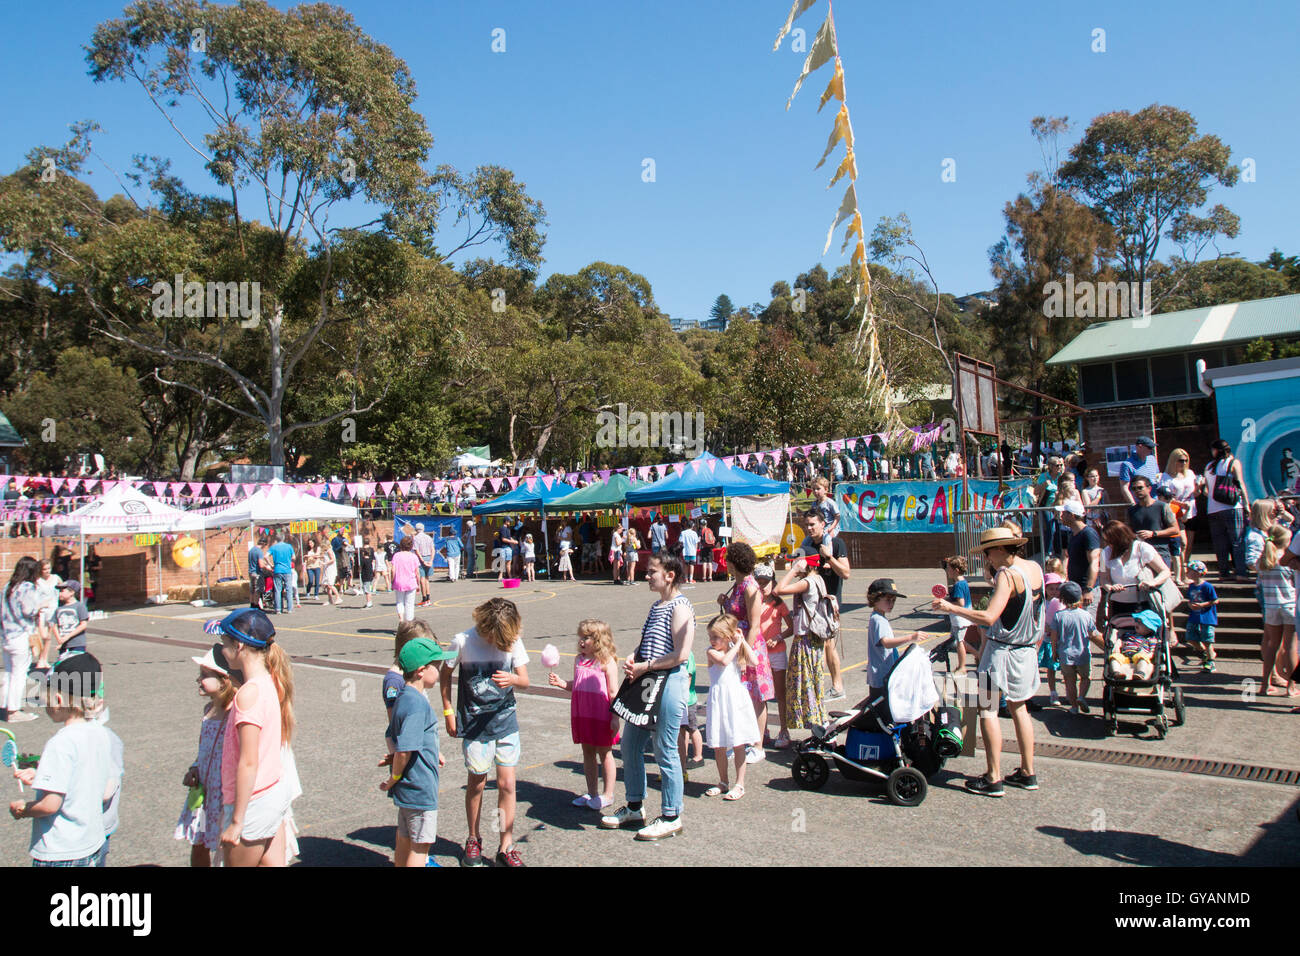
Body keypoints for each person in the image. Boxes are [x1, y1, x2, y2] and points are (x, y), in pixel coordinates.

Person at [933, 526, 1044, 798]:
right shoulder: (1034, 568)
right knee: (1020, 709)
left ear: (1002, 548)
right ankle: (1028, 772)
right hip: (1026, 649)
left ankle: (993, 777)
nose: (986, 558)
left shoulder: (1007, 575)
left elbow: (990, 617)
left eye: (988, 552)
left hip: (1002, 650)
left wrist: (951, 608)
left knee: (988, 710)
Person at [600, 553, 693, 841]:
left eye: (652, 571)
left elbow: (681, 655)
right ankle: (635, 806)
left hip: (669, 683)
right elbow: (649, 642)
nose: (647, 575)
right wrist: (635, 657)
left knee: (665, 749)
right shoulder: (657, 606)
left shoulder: (680, 607)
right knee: (630, 745)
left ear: (669, 575)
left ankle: (671, 815)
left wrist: (646, 666)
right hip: (648, 682)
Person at [440, 598, 529, 867]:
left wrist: (513, 678)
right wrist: (447, 712)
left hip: (505, 723)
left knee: (507, 784)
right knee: (476, 783)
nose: (500, 642)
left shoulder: (512, 639)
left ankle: (506, 845)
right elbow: (445, 675)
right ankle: (473, 838)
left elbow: (524, 680)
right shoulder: (463, 641)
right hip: (475, 726)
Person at [8, 654, 112, 867]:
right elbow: (97, 786)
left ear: (57, 699)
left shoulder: (61, 742)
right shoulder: (100, 732)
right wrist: (42, 777)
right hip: (92, 842)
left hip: (60, 851)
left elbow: (49, 805)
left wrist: (23, 809)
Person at [217, 608, 295, 867]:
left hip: (253, 802)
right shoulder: (270, 682)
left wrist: (237, 821)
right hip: (273, 793)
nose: (222, 650)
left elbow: (248, 762)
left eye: (224, 644)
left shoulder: (248, 694)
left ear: (239, 646)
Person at [381, 636, 454, 868]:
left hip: (408, 789)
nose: (440, 671)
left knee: (405, 838)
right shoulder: (416, 704)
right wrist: (394, 777)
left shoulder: (403, 697)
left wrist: (432, 751)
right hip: (419, 788)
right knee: (420, 847)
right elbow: (405, 750)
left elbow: (392, 735)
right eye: (437, 666)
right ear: (422, 671)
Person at [176, 643, 241, 866]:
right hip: (204, 788)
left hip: (224, 791)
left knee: (225, 845)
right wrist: (195, 767)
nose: (198, 680)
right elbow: (204, 748)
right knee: (199, 840)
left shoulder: (235, 712)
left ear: (224, 681)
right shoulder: (208, 711)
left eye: (205, 675)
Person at [547, 619, 620, 810]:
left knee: (605, 753)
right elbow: (577, 684)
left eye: (586, 637)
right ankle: (592, 792)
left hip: (601, 714)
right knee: (587, 752)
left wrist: (615, 718)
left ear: (599, 640)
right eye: (580, 636)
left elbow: (613, 693)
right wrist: (562, 683)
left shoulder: (607, 662)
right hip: (583, 713)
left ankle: (608, 794)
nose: (581, 641)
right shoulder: (579, 659)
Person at [716, 543, 770, 762]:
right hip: (734, 644)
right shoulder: (737, 585)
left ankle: (758, 745)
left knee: (756, 696)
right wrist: (725, 602)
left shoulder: (750, 587)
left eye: (728, 560)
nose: (725, 563)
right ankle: (741, 741)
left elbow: (755, 624)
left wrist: (744, 655)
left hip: (749, 646)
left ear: (735, 563)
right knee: (738, 696)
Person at [702, 613, 761, 801]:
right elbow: (724, 661)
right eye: (711, 636)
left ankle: (739, 783)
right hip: (719, 700)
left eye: (716, 637)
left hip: (735, 699)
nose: (712, 640)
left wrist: (741, 641)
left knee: (738, 743)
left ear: (727, 636)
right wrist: (735, 645)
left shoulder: (735, 649)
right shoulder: (712, 652)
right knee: (719, 745)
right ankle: (723, 781)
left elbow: (755, 661)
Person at [795, 509, 851, 699]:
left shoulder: (835, 543)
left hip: (829, 601)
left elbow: (846, 573)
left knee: (827, 644)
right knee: (818, 645)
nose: (809, 528)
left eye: (812, 524)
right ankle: (822, 686)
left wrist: (829, 557)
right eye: (807, 525)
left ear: (822, 524)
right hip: (811, 602)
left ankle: (834, 687)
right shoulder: (806, 545)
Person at [775, 556, 830, 734]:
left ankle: (817, 724)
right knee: (813, 682)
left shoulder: (808, 581)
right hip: (813, 638)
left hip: (805, 637)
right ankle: (819, 721)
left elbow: (778, 589)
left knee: (804, 683)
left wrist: (793, 571)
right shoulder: (819, 579)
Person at [1098, 520, 1171, 625]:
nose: (1108, 544)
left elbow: (1165, 571)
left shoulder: (1142, 548)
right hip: (1118, 604)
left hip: (1143, 603)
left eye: (1110, 541)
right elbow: (1104, 579)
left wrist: (1152, 582)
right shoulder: (1106, 552)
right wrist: (1111, 587)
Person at [753, 564, 793, 748]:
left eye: (766, 582)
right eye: (759, 582)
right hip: (759, 654)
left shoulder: (778, 604)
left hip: (776, 653)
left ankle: (784, 730)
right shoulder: (752, 601)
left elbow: (791, 627)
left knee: (779, 693)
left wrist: (779, 637)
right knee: (762, 694)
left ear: (773, 582)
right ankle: (764, 729)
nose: (762, 586)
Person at [1049, 582, 1103, 713]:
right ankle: (1081, 696)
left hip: (1065, 655)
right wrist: (1105, 645)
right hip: (1083, 654)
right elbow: (1092, 634)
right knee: (1085, 678)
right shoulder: (1086, 615)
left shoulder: (1058, 616)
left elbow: (1054, 637)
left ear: (1062, 599)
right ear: (1080, 598)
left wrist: (1054, 652)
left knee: (1069, 681)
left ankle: (1074, 707)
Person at [2, 556, 43, 722]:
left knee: (10, 672)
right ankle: (13, 711)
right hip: (20, 634)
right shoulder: (27, 587)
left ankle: (6, 705)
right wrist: (41, 605)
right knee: (19, 674)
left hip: (6, 635)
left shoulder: (7, 587)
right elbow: (29, 610)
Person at [1258, 525, 1297, 696]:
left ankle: (1264, 684)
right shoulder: (1287, 561)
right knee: (1290, 647)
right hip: (1289, 605)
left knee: (1271, 645)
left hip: (1270, 606)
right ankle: (1291, 686)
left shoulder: (1264, 560)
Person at [1204, 439, 1251, 583]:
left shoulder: (1209, 466)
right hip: (1232, 507)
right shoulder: (1233, 463)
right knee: (1237, 541)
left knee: (1220, 543)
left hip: (1212, 509)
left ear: (1216, 450)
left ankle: (1223, 573)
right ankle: (1241, 573)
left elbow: (1207, 490)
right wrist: (1247, 505)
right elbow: (1240, 483)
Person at [865, 579, 923, 694]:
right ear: (875, 599)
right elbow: (886, 643)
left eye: (893, 600)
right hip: (882, 675)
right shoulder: (878, 620)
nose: (891, 604)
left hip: (882, 673)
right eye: (888, 600)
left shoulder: (878, 617)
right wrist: (911, 638)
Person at [1160, 449, 1201, 582]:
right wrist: (1181, 504)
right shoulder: (1166, 477)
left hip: (1191, 511)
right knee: (1182, 543)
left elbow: (1195, 493)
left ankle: (1186, 573)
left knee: (1188, 545)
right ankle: (1180, 574)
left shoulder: (1190, 474)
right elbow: (1165, 497)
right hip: (1176, 513)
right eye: (1180, 460)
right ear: (1173, 461)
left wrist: (1199, 487)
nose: (1183, 463)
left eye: (1186, 460)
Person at [1061, 500, 1102, 627]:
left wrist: (1088, 588)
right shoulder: (1073, 534)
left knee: (1088, 628)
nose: (1061, 516)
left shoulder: (1088, 533)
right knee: (1079, 627)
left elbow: (1095, 562)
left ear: (1072, 515)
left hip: (1087, 590)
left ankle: (1109, 648)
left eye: (1064, 513)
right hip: (1076, 589)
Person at [41, 580, 88, 667]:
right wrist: (59, 639)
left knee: (78, 666)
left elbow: (83, 624)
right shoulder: (59, 609)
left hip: (77, 643)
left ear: (72, 592)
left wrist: (67, 636)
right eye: (59, 591)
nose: (59, 594)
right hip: (64, 645)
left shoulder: (79, 606)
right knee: (65, 666)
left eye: (62, 591)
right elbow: (54, 624)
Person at [1108, 609, 1163, 681]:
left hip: (1140, 656)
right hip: (1125, 656)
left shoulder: (1151, 639)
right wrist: (1117, 646)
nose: (1137, 623)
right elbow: (1120, 640)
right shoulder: (1128, 635)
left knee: (1142, 657)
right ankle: (1116, 673)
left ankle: (1140, 673)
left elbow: (1152, 651)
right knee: (1114, 657)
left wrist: (1149, 655)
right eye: (1137, 621)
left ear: (1150, 628)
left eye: (1141, 622)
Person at [1183, 561, 1218, 673]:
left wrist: (1202, 605)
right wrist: (1190, 605)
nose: (1187, 572)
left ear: (1198, 573)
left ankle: (1210, 661)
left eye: (1190, 571)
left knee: (1207, 639)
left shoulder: (1207, 586)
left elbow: (1215, 600)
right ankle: (1206, 653)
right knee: (1190, 637)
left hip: (1206, 617)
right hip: (1194, 616)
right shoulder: (1191, 586)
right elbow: (1190, 599)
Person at [941, 556, 973, 674]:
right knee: (960, 640)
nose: (947, 570)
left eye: (949, 568)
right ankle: (977, 654)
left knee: (959, 642)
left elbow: (960, 603)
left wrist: (945, 602)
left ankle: (962, 667)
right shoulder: (963, 582)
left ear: (956, 570)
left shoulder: (958, 585)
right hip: (961, 617)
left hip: (960, 618)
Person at [1118, 436, 1161, 505]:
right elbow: (1124, 487)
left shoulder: (1152, 459)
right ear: (1139, 447)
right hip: (1139, 504)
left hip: (1155, 503)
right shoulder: (1127, 464)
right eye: (1149, 447)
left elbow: (1157, 476)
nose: (1151, 450)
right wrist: (1133, 505)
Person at [390, 537, 421, 624]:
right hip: (411, 582)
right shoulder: (413, 557)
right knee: (410, 604)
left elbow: (393, 570)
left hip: (399, 581)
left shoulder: (396, 555)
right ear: (411, 546)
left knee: (400, 602)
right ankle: (409, 623)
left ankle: (401, 619)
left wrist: (392, 581)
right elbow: (417, 572)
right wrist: (418, 584)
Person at [267, 533, 295, 615]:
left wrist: (271, 565)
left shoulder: (273, 547)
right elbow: (293, 557)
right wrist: (289, 560)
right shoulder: (289, 546)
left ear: (276, 539)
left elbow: (266, 556)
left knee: (277, 590)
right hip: (287, 570)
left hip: (277, 569)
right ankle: (289, 608)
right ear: (283, 538)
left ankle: (278, 609)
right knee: (289, 589)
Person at [412, 523, 435, 606]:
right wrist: (431, 560)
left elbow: (416, 551)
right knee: (427, 579)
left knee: (422, 578)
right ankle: (428, 598)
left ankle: (424, 598)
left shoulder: (416, 538)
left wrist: (422, 560)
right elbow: (433, 549)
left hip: (421, 558)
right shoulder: (428, 537)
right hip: (428, 557)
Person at [679, 519, 700, 584]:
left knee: (686, 565)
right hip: (693, 551)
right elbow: (696, 543)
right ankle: (691, 579)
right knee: (692, 565)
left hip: (685, 551)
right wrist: (696, 551)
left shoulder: (683, 533)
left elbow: (680, 542)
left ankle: (686, 579)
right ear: (692, 526)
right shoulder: (694, 533)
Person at [358, 538, 376, 608]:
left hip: (365, 575)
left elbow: (360, 567)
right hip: (370, 574)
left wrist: (359, 570)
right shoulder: (370, 558)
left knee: (367, 590)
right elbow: (373, 561)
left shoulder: (363, 559)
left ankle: (369, 602)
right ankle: (369, 602)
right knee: (369, 589)